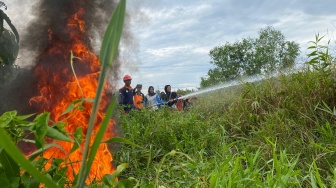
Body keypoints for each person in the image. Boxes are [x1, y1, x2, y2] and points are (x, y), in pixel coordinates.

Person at [0, 2, 19, 66]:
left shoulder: (1, 13)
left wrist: (17, 35)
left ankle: (8, 65)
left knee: (7, 59)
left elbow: (11, 25)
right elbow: (11, 25)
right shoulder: (1, 13)